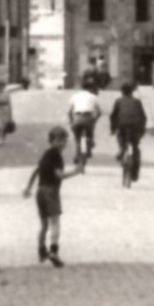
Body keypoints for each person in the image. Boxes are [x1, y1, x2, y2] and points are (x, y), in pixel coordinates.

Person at [23, 126, 83, 267]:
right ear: (52, 141)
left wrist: (28, 187)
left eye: (63, 140)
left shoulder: (46, 154)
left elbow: (36, 171)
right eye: (58, 140)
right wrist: (76, 171)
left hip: (40, 192)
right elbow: (59, 175)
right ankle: (54, 251)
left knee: (44, 225)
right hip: (51, 191)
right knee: (55, 222)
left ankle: (41, 251)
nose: (61, 143)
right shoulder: (56, 155)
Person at [110, 82, 147, 184]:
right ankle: (134, 174)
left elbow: (113, 116)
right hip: (135, 127)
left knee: (121, 141)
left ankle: (122, 150)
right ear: (132, 92)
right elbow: (143, 116)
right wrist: (142, 130)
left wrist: (112, 129)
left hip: (122, 126)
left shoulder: (118, 101)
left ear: (122, 92)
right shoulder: (137, 101)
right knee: (136, 150)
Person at [68, 81, 102, 167]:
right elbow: (99, 112)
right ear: (91, 89)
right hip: (88, 118)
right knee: (90, 134)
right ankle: (89, 147)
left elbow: (69, 112)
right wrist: (94, 120)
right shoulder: (93, 97)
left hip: (77, 118)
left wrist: (71, 122)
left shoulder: (75, 96)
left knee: (77, 138)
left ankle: (77, 154)